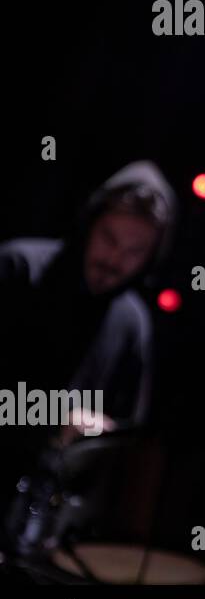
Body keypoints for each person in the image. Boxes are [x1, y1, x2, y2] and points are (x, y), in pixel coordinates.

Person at [0, 160, 176, 540]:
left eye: (135, 250)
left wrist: (102, 433)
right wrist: (54, 416)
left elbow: (126, 435)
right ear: (90, 224)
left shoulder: (133, 322)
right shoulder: (17, 267)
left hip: (45, 516)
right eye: (109, 239)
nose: (115, 260)